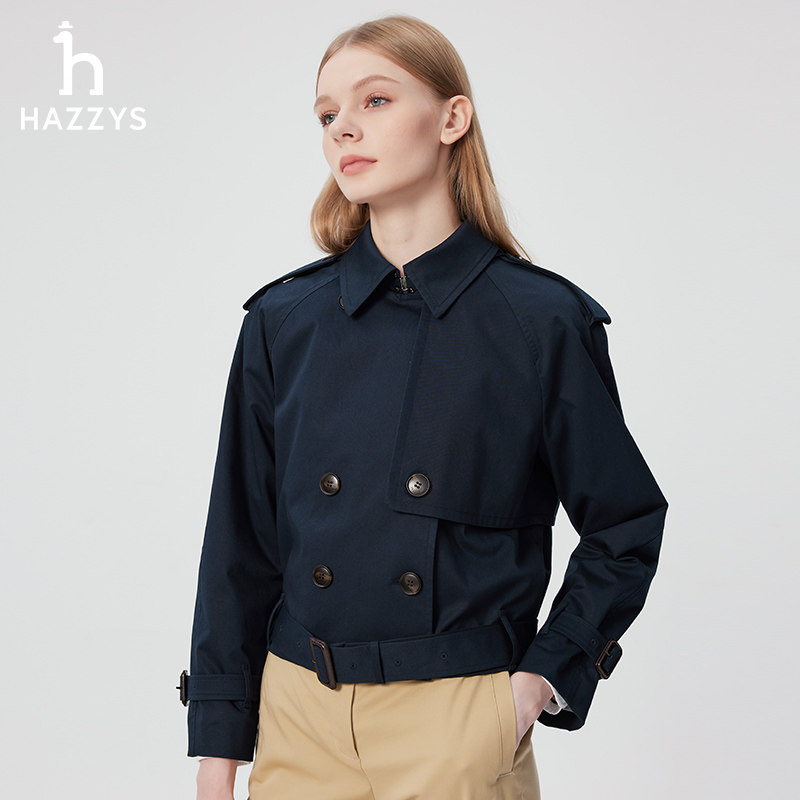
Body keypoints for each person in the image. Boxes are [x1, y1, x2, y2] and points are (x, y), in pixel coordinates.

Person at [178, 13, 668, 800]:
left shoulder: (541, 321)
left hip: (457, 720)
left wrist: (540, 679)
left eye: (375, 100)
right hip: (297, 715)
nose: (344, 129)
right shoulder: (283, 320)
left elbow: (625, 522)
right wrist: (218, 745)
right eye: (327, 114)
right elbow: (239, 544)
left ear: (451, 118)